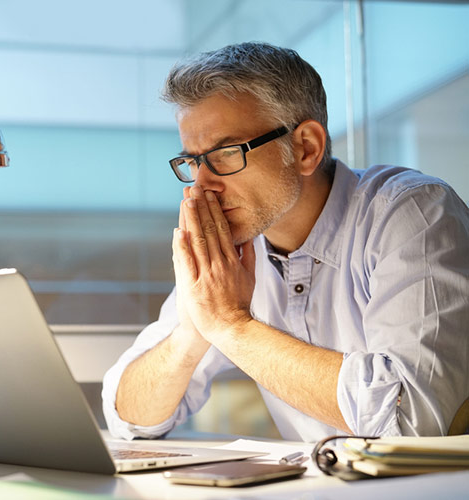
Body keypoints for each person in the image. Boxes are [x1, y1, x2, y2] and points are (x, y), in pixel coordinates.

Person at [102, 42, 469, 442]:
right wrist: (194, 331)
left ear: (305, 148)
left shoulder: (413, 213)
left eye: (224, 154)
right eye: (192, 161)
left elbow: (413, 422)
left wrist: (232, 326)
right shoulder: (236, 254)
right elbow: (127, 418)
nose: (202, 185)